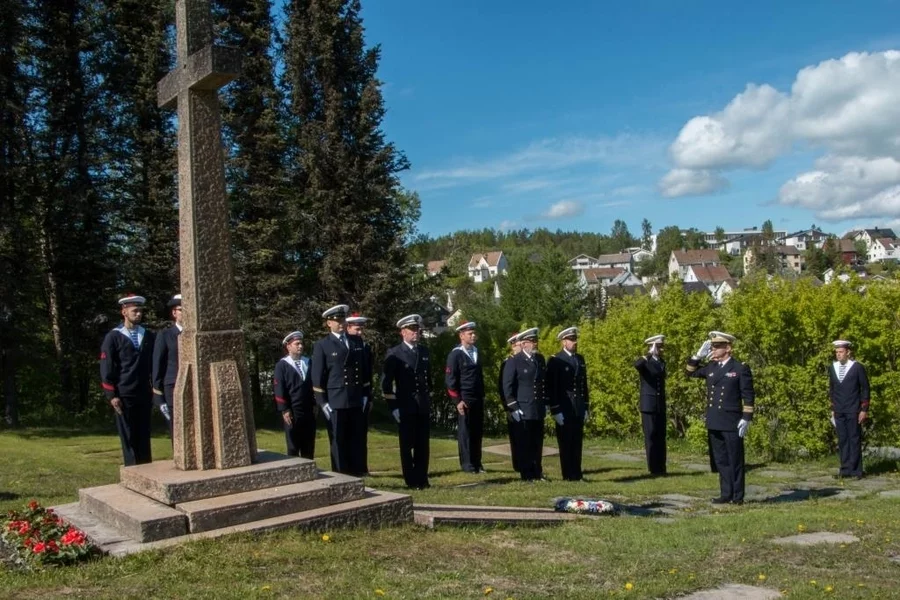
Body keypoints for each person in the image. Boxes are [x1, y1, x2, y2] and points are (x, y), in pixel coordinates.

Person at [686, 331, 755, 505]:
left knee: (735, 459)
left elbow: (748, 394)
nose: (714, 349)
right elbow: (689, 373)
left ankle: (738, 496)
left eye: (717, 346)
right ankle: (726, 493)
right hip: (714, 419)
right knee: (721, 460)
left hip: (731, 420)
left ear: (728, 348)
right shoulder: (711, 367)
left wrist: (746, 417)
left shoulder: (739, 368)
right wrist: (697, 356)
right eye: (713, 346)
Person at [311, 304, 369, 475]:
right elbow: (317, 376)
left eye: (343, 319)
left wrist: (365, 394)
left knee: (356, 438)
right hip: (336, 399)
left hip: (355, 397)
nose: (341, 323)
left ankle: (357, 473)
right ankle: (341, 474)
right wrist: (322, 402)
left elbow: (363, 370)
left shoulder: (355, 341)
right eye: (337, 320)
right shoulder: (323, 345)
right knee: (338, 440)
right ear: (329, 323)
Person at [100, 294, 156, 466]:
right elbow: (107, 366)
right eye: (134, 311)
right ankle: (132, 469)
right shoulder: (114, 337)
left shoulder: (147, 335)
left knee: (143, 433)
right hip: (124, 393)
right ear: (124, 312)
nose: (138, 314)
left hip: (144, 392)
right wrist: (111, 394)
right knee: (129, 435)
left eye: (140, 311)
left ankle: (147, 467)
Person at [382, 314, 432, 489]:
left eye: (417, 329)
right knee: (407, 445)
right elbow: (386, 384)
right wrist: (394, 407)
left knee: (422, 445)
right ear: (403, 332)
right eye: (412, 330)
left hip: (422, 405)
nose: (416, 333)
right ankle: (411, 479)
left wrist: (428, 398)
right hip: (405, 405)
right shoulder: (395, 353)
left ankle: (422, 478)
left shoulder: (423, 351)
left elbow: (428, 379)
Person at [502, 328, 548, 481]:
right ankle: (526, 474)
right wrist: (512, 406)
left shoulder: (539, 359)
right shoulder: (514, 361)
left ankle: (537, 471)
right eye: (532, 341)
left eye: (536, 340)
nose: (535, 344)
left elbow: (543, 383)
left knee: (537, 442)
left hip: (537, 407)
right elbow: (507, 385)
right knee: (524, 442)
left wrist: (545, 402)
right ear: (524, 343)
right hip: (522, 407)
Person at [546, 326, 589, 481]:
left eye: (575, 339)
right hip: (564, 406)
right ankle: (568, 474)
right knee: (565, 442)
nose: (574, 342)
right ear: (564, 341)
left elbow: (584, 385)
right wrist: (555, 409)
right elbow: (553, 387)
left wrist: (586, 406)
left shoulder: (580, 359)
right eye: (571, 339)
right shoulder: (556, 360)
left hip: (577, 406)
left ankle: (577, 473)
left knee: (577, 442)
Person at [445, 321, 485, 473]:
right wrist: (457, 401)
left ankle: (477, 463)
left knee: (477, 432)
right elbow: (450, 380)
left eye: (474, 333)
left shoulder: (476, 352)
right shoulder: (456, 354)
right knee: (466, 433)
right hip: (465, 398)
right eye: (470, 333)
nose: (473, 336)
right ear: (461, 335)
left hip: (477, 397)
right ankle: (467, 464)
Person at [829, 340, 870, 479]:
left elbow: (865, 388)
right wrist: (833, 407)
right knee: (843, 440)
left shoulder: (857, 367)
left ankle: (856, 470)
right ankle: (845, 469)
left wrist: (864, 409)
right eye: (837, 352)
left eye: (841, 352)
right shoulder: (832, 367)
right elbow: (832, 389)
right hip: (839, 409)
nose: (838, 355)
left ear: (848, 352)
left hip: (853, 409)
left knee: (854, 439)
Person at [273, 331, 316, 459]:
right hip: (292, 410)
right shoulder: (282, 365)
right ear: (288, 346)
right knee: (293, 444)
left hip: (308, 409)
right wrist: (284, 409)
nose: (300, 346)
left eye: (301, 343)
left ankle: (309, 467)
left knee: (308, 443)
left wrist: (316, 403)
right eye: (297, 344)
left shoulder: (308, 362)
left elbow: (314, 385)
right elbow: (279, 388)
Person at [634, 334, 667, 476]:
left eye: (661, 346)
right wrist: (648, 354)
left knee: (661, 436)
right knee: (651, 436)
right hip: (648, 404)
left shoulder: (661, 362)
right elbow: (637, 365)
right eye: (658, 346)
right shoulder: (645, 362)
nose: (661, 349)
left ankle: (661, 467)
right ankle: (653, 468)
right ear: (652, 347)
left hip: (659, 404)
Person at [345, 313, 374, 475]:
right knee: (349, 434)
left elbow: (367, 373)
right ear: (348, 328)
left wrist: (369, 396)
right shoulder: (346, 345)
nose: (360, 332)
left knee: (361, 434)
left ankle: (362, 466)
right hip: (349, 395)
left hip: (362, 395)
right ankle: (350, 467)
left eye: (361, 329)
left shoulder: (364, 346)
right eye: (357, 329)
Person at [152, 293, 182, 437]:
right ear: (174, 312)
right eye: (181, 309)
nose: (185, 313)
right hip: (173, 385)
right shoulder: (165, 335)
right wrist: (158, 394)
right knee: (176, 426)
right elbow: (158, 364)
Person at [499, 332, 521, 472]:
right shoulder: (508, 362)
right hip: (513, 404)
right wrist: (508, 407)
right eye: (519, 344)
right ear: (513, 346)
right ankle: (518, 464)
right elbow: (503, 387)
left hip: (526, 404)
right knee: (516, 437)